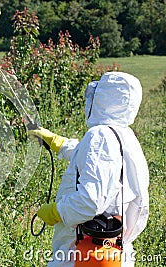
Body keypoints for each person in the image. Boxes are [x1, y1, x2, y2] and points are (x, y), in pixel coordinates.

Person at [31, 72, 149, 266]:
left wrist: (55, 211)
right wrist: (56, 141)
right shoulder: (124, 136)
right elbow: (88, 158)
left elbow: (90, 201)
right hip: (113, 252)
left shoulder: (100, 136)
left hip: (82, 252)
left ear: (105, 99)